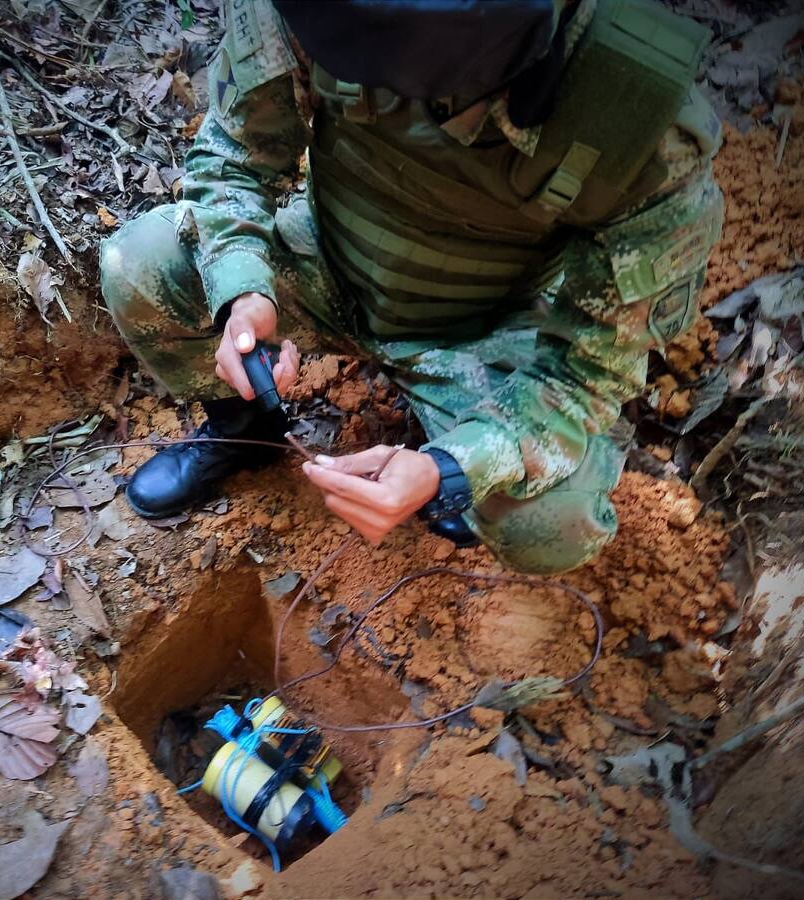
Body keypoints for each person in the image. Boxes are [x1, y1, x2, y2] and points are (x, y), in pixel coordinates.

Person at [100, 0, 724, 575]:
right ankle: (245, 427)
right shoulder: (317, 7)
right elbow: (234, 154)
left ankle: (442, 444)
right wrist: (246, 289)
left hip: (482, 329)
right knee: (142, 265)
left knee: (550, 522)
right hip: (330, 257)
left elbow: (584, 378)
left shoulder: (639, 125)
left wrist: (451, 467)